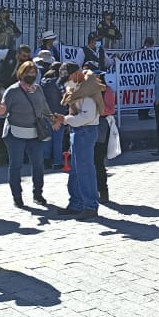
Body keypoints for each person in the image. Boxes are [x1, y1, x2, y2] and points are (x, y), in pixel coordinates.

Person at [0, 61, 62, 208]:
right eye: (28, 72)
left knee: (38, 165)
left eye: (33, 73)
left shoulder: (37, 89)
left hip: (34, 133)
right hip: (15, 133)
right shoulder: (12, 91)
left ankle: (38, 194)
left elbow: (44, 108)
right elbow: (4, 111)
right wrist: (1, 111)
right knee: (16, 166)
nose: (31, 75)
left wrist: (53, 121)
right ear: (21, 73)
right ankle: (17, 196)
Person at [58, 69, 104, 219]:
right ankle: (76, 204)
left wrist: (65, 119)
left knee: (85, 170)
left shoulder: (88, 93)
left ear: (76, 74)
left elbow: (87, 117)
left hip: (85, 131)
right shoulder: (78, 91)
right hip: (78, 131)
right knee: (76, 171)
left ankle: (90, 205)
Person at [42, 63, 73, 169]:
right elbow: (65, 98)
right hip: (59, 113)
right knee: (58, 139)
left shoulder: (43, 82)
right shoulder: (59, 83)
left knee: (47, 138)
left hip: (46, 114)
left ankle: (46, 160)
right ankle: (57, 161)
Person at [94, 72, 117, 203]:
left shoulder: (107, 90)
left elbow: (110, 109)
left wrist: (97, 110)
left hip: (101, 125)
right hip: (87, 125)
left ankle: (103, 191)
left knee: (98, 160)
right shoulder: (86, 90)